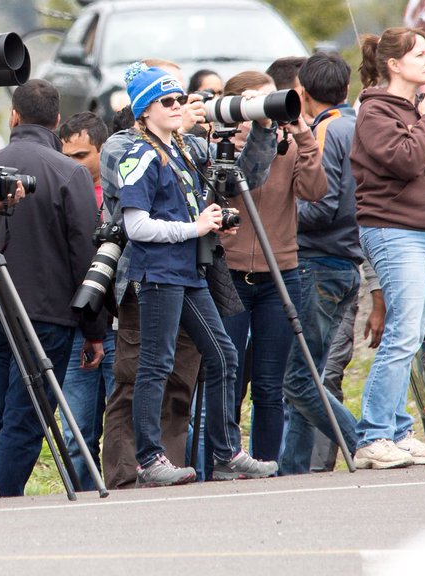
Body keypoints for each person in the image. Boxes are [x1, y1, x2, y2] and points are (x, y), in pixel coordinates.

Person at [99, 59, 277, 489]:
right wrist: (194, 227)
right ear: (144, 110)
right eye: (169, 100)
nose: (179, 105)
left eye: (182, 97)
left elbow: (236, 179)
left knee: (223, 355)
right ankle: (147, 459)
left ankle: (225, 453)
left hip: (191, 271)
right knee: (154, 365)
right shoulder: (136, 153)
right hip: (157, 272)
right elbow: (136, 225)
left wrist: (261, 128)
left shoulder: (183, 149)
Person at [0, 80, 104, 496]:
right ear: (56, 121)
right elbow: (85, 255)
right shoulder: (70, 172)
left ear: (14, 116)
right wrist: (94, 329)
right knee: (27, 415)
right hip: (49, 313)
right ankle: (0, 497)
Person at [350, 27, 425, 468]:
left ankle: (398, 430)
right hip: (395, 230)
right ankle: (374, 437)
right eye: (420, 54)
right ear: (394, 64)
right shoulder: (374, 112)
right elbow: (405, 161)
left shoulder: (418, 112)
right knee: (401, 336)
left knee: (412, 336)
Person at [215, 70, 325, 465]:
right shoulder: (217, 148)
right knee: (226, 379)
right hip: (229, 274)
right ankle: (223, 459)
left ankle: (265, 464)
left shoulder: (288, 146)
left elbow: (315, 191)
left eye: (269, 100)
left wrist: (303, 135)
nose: (264, 111)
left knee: (268, 384)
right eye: (253, 101)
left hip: (280, 273)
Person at [279, 52, 365, 474]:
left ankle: (364, 442)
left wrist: (280, 213)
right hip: (348, 262)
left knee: (298, 380)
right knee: (307, 376)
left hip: (320, 265)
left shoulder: (326, 131)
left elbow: (322, 207)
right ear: (345, 89)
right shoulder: (356, 125)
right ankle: (292, 468)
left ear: (301, 93)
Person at [56, 111, 114, 486]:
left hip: (120, 322)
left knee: (126, 425)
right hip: (77, 323)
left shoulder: (121, 191)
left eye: (81, 156)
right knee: (76, 434)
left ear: (103, 150)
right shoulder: (60, 187)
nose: (72, 164)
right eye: (66, 156)